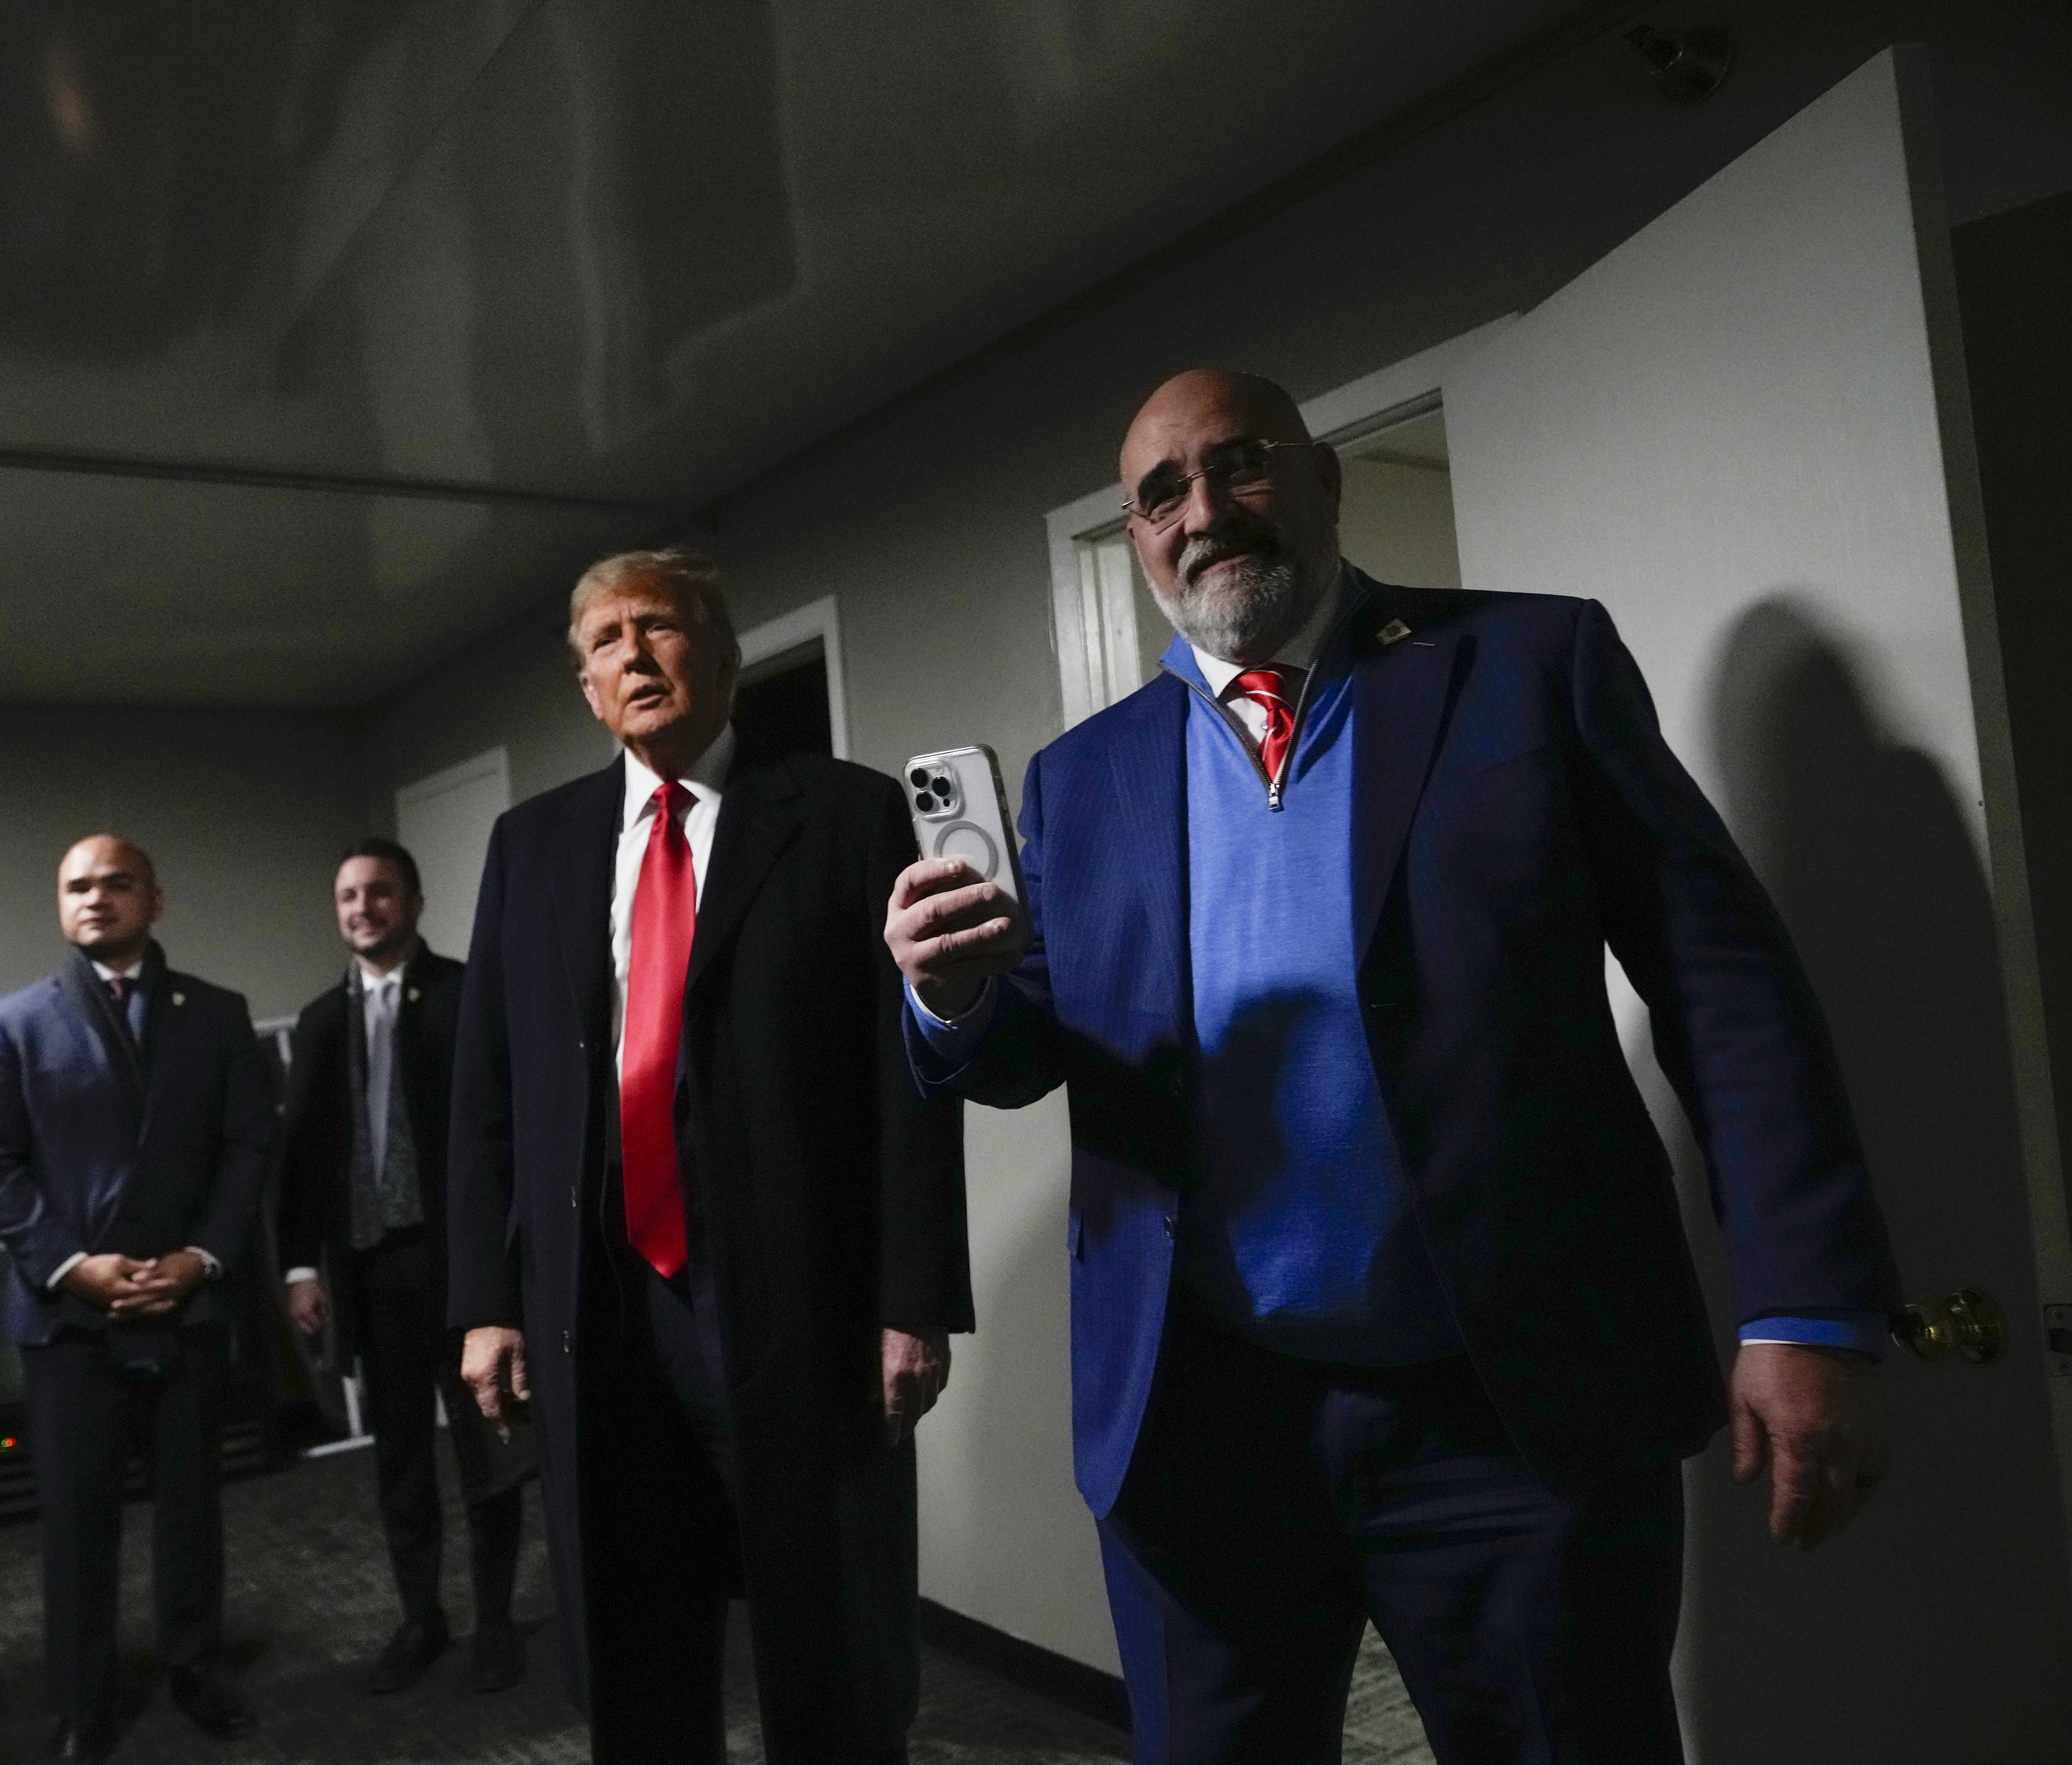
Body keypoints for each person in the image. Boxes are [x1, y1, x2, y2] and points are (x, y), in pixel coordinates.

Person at [884, 369, 1901, 1763]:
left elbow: (1724, 986)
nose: (1205, 512)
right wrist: (949, 1001)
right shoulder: (1085, 778)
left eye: (1239, 466)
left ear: (1323, 481)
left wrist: (1805, 1306)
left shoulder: (1528, 668)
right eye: (1162, 493)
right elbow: (1030, 1050)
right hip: (1198, 1431)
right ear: (1134, 541)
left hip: (1507, 1415)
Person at [446, 546, 972, 1764]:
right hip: (600, 1306)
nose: (634, 654)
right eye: (606, 643)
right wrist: (485, 1302)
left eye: (662, 628)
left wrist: (913, 1299)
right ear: (585, 688)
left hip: (798, 1297)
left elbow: (904, 1077)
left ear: (724, 656)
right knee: (635, 1634)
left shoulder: (847, 815)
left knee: (831, 1634)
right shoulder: (534, 848)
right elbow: (481, 1097)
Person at [0, 835, 272, 1764]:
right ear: (62, 905)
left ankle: (194, 1670)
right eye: (77, 887)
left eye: (117, 884)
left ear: (155, 900)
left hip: (189, 1301)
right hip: (71, 1316)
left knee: (190, 1507)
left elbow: (247, 1146)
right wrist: (73, 1265)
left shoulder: (216, 1015)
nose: (96, 899)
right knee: (77, 1517)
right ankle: (82, 1701)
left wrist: (201, 1257)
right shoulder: (15, 1020)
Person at [279, 840, 530, 1696]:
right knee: (399, 1466)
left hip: (459, 1272)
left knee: (487, 1454)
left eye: (380, 892)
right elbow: (302, 1158)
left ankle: (496, 1621)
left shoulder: (467, 996)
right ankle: (422, 1618)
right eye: (349, 895)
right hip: (367, 1270)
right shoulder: (318, 1023)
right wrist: (297, 1269)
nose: (363, 908)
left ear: (413, 902)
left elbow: (507, 1136)